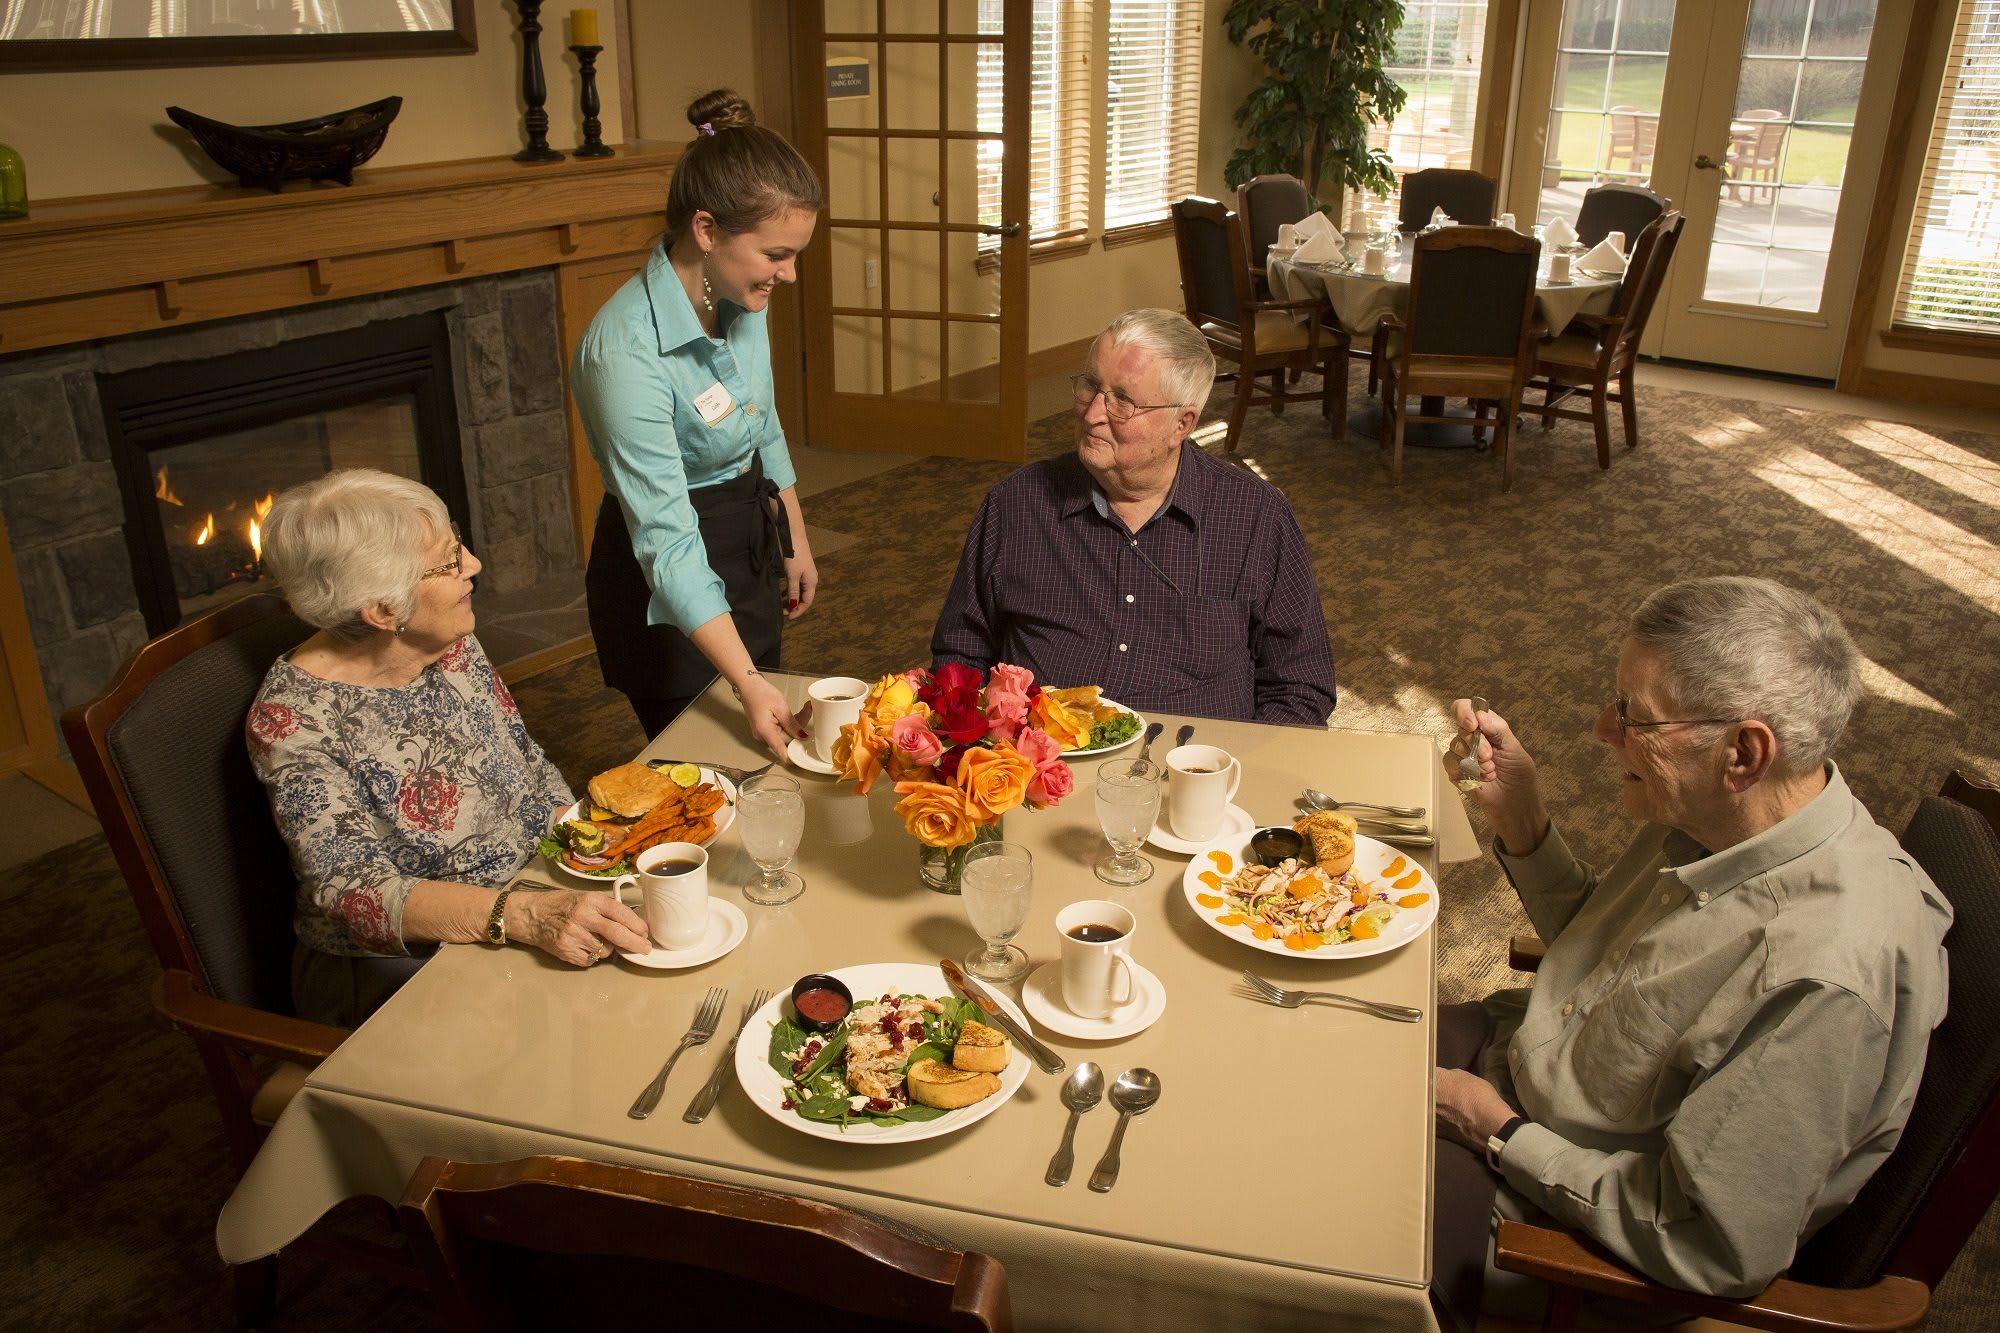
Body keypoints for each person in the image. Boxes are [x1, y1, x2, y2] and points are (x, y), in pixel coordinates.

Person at [1428, 576, 1951, 1331]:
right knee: (1308, 1035)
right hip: (1524, 1061)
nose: (1604, 730)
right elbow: (1617, 962)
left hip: (1551, 1216)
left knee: (1298, 1201)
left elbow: (1708, 1239)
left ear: (1743, 750)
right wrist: (1525, 819)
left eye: (1633, 716)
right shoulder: (1733, 811)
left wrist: (1497, 1130)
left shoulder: (1824, 976)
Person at [248, 470, 651, 1028]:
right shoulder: (295, 721)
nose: (474, 566)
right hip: (400, 968)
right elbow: (356, 894)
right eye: (448, 562)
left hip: (531, 893)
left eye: (456, 543)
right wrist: (528, 915)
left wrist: (586, 840)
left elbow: (524, 759)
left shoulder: (447, 639)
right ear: (383, 611)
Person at [929, 308, 1336, 725]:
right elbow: (961, 651)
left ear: (1182, 424)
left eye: (1123, 401)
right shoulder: (1016, 504)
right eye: (1090, 386)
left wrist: (1231, 776)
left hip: (1191, 770)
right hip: (1043, 768)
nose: (1092, 414)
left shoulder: (1255, 517)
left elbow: (1300, 686)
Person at [573, 89, 824, 757]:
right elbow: (667, 540)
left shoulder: (741, 293)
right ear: (707, 230)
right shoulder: (624, 353)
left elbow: (760, 422)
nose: (790, 273)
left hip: (747, 536)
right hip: (666, 575)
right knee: (711, 773)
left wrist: (792, 534)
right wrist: (744, 679)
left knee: (766, 760)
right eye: (777, 253)